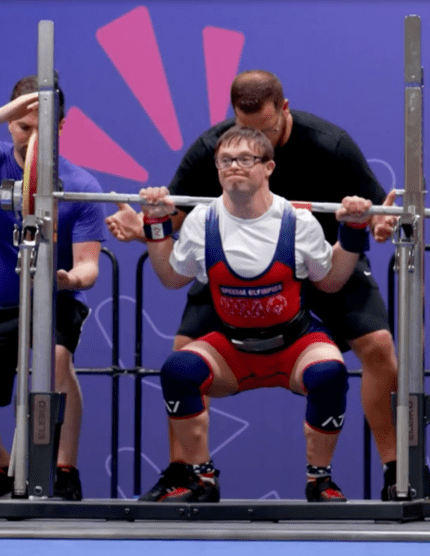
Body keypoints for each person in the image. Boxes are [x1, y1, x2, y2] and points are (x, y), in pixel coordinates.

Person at [107, 70, 430, 500]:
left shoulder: (330, 145)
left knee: (378, 345)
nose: (248, 144)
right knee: (183, 353)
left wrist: (374, 224)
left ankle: (399, 471)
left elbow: (378, 211)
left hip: (315, 252)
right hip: (236, 262)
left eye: (262, 135)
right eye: (241, 134)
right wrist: (146, 226)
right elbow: (174, 221)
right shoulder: (217, 147)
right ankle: (187, 473)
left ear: (283, 112)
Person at [138, 126, 373, 502]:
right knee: (178, 370)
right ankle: (201, 479)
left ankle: (320, 481)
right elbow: (170, 277)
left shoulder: (297, 222)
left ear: (268, 167)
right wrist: (155, 222)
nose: (234, 167)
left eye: (245, 159)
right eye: (226, 160)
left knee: (330, 373)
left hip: (295, 345)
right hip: (232, 351)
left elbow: (331, 281)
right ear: (216, 169)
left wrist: (355, 230)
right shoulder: (202, 221)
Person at [0, 75, 107, 501]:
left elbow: (88, 267)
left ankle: (64, 470)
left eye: (42, 127)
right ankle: (2, 469)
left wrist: (67, 279)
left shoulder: (81, 186)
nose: (30, 138)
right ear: (10, 125)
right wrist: (7, 111)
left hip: (55, 298)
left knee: (56, 362)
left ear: (60, 127)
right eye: (22, 127)